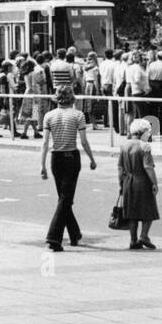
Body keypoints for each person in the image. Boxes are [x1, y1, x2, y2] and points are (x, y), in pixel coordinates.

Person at [39, 86, 96, 251]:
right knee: (65, 199)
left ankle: (74, 233)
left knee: (63, 198)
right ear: (72, 98)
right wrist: (91, 159)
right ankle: (54, 237)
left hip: (55, 157)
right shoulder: (78, 115)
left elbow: (45, 143)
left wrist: (42, 165)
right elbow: (84, 141)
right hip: (71, 156)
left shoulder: (49, 116)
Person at [118, 118, 160, 249]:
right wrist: (155, 183)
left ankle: (133, 240)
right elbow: (148, 167)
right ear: (142, 132)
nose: (149, 134)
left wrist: (121, 184)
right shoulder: (145, 146)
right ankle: (144, 235)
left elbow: (120, 167)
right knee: (149, 210)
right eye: (148, 132)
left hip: (128, 181)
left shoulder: (124, 146)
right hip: (142, 180)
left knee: (132, 211)